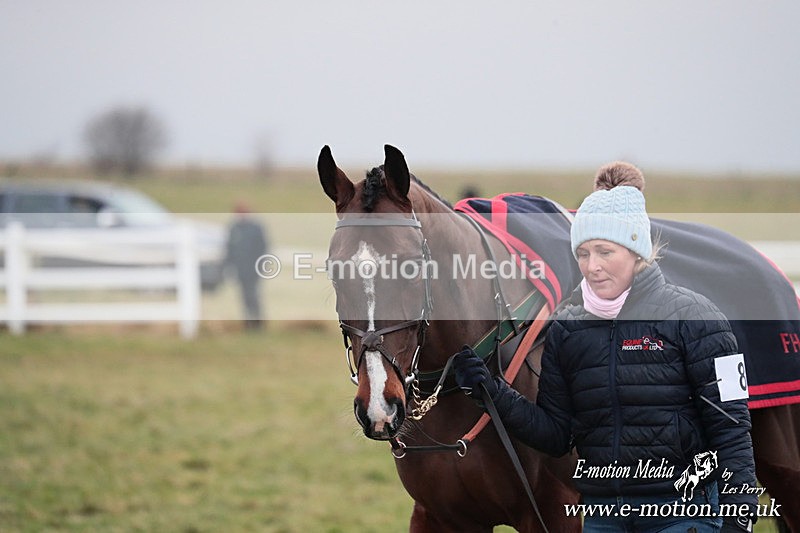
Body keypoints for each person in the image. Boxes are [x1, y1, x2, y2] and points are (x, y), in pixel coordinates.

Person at [453, 162, 757, 532]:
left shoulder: (698, 319)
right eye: (583, 254)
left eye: (605, 251)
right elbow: (555, 434)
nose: (592, 266)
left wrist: (739, 517)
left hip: (681, 515)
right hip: (603, 516)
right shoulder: (568, 328)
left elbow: (732, 430)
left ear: (636, 251)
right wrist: (492, 391)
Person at [225, 200, 268, 330]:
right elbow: (229, 249)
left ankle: (258, 324)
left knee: (253, 296)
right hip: (240, 270)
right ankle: (247, 324)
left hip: (254, 269)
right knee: (244, 298)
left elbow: (263, 247)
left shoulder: (255, 228)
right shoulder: (234, 228)